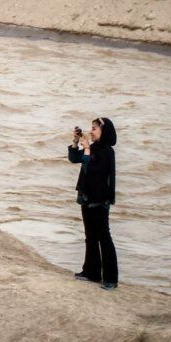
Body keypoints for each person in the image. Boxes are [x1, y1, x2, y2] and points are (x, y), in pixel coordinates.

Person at [69, 118, 119, 290]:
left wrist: (87, 149)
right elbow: (74, 158)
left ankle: (111, 279)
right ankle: (92, 272)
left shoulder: (107, 151)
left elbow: (94, 170)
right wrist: (76, 142)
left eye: (95, 129)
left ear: (104, 131)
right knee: (90, 235)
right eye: (91, 128)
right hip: (87, 196)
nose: (91, 131)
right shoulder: (94, 148)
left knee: (104, 237)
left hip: (100, 199)